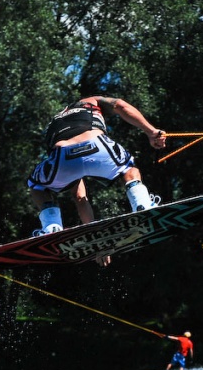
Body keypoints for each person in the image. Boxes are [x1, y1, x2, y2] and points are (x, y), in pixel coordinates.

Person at [27, 96, 166, 266]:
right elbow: (120, 105)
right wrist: (151, 131)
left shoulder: (55, 122)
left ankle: (51, 227)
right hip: (97, 145)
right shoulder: (92, 101)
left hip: (63, 157)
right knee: (128, 169)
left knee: (38, 186)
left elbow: (80, 199)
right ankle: (142, 204)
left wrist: (96, 244)